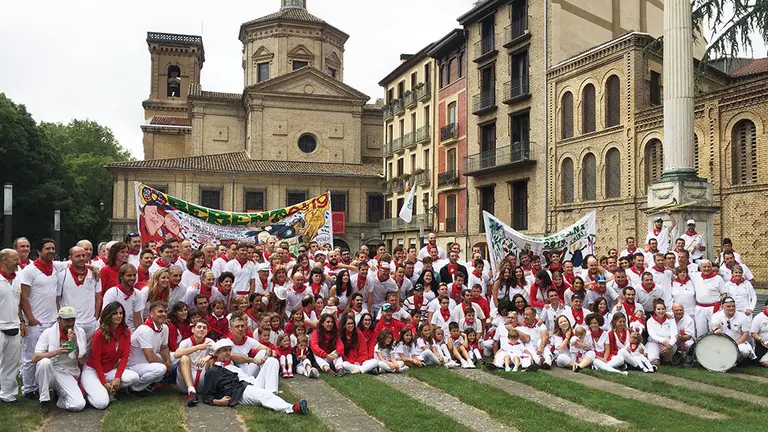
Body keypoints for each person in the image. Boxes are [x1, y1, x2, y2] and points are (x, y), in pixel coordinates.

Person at [200, 338, 308, 414]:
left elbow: (238, 357)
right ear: (217, 353)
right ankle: (292, 408)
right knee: (262, 394)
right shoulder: (213, 372)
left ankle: (272, 395)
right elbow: (206, 396)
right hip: (239, 391)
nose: (228, 353)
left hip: (250, 383)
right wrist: (219, 402)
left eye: (229, 350)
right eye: (224, 350)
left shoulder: (231, 361)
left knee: (272, 361)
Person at [19, 238, 66, 398]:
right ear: (39, 251)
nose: (51, 251)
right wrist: (30, 318)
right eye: (48, 249)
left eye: (53, 248)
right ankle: (29, 388)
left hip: (52, 321)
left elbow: (74, 263)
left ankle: (44, 386)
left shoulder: (56, 268)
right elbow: (24, 297)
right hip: (36, 323)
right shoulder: (29, 271)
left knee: (51, 356)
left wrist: (93, 268)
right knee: (30, 356)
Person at [81, 302, 138, 409]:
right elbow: (96, 360)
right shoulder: (99, 334)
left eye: (121, 313)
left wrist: (117, 377)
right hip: (93, 371)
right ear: (108, 315)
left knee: (133, 377)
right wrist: (104, 383)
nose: (119, 316)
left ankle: (108, 389)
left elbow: (125, 357)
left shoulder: (126, 332)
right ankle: (88, 394)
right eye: (115, 313)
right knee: (102, 404)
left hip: (109, 370)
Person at [32, 306, 87, 412]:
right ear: (58, 319)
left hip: (68, 372)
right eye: (67, 320)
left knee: (78, 405)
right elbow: (35, 358)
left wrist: (75, 344)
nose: (70, 323)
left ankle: (60, 398)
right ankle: (44, 400)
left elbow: (81, 360)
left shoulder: (80, 332)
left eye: (72, 320)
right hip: (51, 370)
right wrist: (56, 352)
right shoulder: (48, 332)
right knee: (44, 362)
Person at [57, 245, 102, 353]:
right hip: (71, 322)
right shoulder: (62, 275)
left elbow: (98, 296)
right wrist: (60, 317)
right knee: (72, 352)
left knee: (88, 352)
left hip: (89, 322)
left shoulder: (95, 274)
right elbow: (57, 298)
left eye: (83, 255)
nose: (81, 258)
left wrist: (96, 316)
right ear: (70, 258)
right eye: (77, 256)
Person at [126, 301, 171, 394]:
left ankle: (152, 383)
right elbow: (150, 357)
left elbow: (164, 348)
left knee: (178, 358)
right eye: (160, 311)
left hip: (149, 362)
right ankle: (134, 387)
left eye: (165, 312)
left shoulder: (165, 327)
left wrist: (168, 361)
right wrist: (166, 366)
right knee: (161, 369)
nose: (163, 314)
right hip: (135, 365)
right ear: (151, 314)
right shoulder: (144, 329)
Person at [226, 316, 279, 392]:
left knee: (270, 358)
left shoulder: (248, 340)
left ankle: (271, 391)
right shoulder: (226, 343)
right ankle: (264, 389)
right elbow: (232, 357)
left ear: (245, 328)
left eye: (242, 326)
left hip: (248, 371)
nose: (240, 329)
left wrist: (266, 356)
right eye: (237, 326)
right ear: (230, 329)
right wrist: (254, 360)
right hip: (237, 377)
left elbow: (267, 349)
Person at [0, 249, 24, 404]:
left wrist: (21, 321)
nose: (18, 262)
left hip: (14, 325)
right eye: (15, 259)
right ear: (4, 260)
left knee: (12, 363)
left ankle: (8, 395)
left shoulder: (18, 278)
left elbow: (19, 303)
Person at [174, 320, 214, 406]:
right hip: (186, 380)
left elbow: (219, 352)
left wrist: (208, 357)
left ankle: (211, 390)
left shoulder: (209, 341)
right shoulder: (186, 342)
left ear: (207, 331)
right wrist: (197, 347)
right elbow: (176, 354)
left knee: (212, 360)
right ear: (193, 329)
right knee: (184, 358)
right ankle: (191, 392)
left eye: (204, 328)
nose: (201, 329)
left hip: (203, 376)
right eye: (199, 327)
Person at [102, 264, 144, 331]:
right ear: (121, 277)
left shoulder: (137, 294)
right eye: (129, 275)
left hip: (124, 330)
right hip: (108, 330)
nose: (132, 278)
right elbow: (105, 317)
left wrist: (141, 333)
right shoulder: (112, 293)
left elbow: (137, 319)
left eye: (134, 275)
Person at [711, 297, 754, 361]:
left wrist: (733, 344)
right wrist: (716, 329)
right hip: (721, 342)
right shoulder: (716, 315)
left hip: (738, 342)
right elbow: (714, 324)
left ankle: (736, 361)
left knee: (744, 351)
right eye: (728, 306)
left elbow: (745, 334)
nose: (732, 308)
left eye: (733, 306)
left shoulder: (743, 317)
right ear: (722, 306)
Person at [693, 260, 726, 338]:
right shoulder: (695, 276)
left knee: (715, 330)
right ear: (700, 268)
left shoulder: (718, 279)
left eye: (708, 267)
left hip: (713, 308)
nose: (707, 269)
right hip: (700, 308)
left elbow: (724, 294)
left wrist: (722, 305)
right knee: (701, 332)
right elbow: (680, 271)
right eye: (704, 267)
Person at [646, 299, 678, 366]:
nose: (661, 311)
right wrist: (663, 341)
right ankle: (659, 359)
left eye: (663, 309)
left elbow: (675, 334)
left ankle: (667, 360)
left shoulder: (671, 320)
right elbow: (653, 335)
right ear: (655, 310)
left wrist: (669, 345)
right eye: (658, 309)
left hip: (668, 344)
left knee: (668, 344)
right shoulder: (650, 321)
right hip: (654, 343)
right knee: (653, 360)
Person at [750, 299, 768, 367]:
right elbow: (753, 333)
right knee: (765, 363)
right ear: (766, 307)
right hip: (762, 346)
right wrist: (761, 340)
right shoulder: (759, 318)